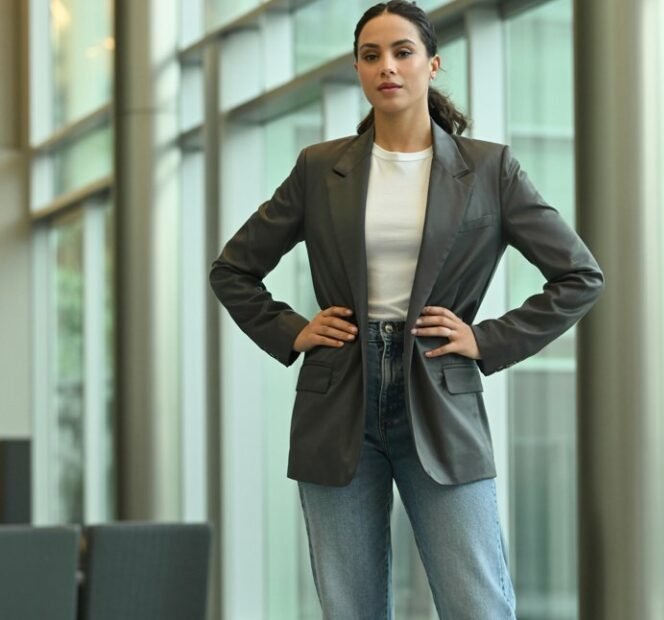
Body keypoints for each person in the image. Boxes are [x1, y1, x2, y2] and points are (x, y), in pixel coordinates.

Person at [210, 1, 604, 618]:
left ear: (432, 64)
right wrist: (292, 331)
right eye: (372, 56)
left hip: (440, 394)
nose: (387, 67)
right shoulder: (321, 169)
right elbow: (233, 269)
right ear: (359, 70)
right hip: (338, 394)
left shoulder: (489, 170)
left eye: (402, 52)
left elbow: (579, 275)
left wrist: (486, 339)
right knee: (351, 608)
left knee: (478, 603)